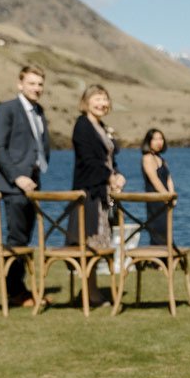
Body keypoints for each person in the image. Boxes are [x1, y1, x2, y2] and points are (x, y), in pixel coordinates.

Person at [0, 64, 51, 307]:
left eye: (40, 84)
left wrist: (36, 174)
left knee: (25, 238)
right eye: (32, 83)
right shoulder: (8, 109)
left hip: (33, 183)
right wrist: (18, 177)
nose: (37, 88)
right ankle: (14, 292)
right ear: (20, 84)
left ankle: (20, 290)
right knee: (16, 240)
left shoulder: (39, 111)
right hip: (13, 185)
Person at [69, 84, 124, 307]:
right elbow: (89, 161)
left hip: (103, 193)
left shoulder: (101, 126)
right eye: (97, 99)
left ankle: (92, 292)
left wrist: (117, 175)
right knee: (89, 242)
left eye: (105, 99)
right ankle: (89, 293)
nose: (102, 103)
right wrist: (110, 176)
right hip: (89, 192)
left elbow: (108, 160)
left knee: (100, 241)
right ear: (86, 102)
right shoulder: (82, 126)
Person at [140, 128, 176, 250]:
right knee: (157, 229)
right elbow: (154, 180)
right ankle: (157, 261)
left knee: (167, 228)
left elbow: (169, 179)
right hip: (155, 200)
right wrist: (166, 196)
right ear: (148, 141)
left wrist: (172, 195)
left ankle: (167, 258)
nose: (159, 142)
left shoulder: (162, 159)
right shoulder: (147, 158)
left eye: (161, 138)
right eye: (155, 139)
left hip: (166, 199)